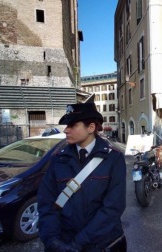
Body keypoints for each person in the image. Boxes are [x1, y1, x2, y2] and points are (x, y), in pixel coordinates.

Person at [38, 102, 127, 252]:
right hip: (63, 244)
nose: (66, 130)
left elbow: (113, 208)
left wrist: (78, 243)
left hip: (101, 244)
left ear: (91, 128)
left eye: (72, 125)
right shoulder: (58, 159)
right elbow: (46, 203)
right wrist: (52, 240)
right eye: (66, 125)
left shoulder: (113, 158)